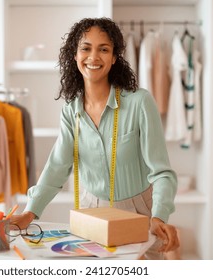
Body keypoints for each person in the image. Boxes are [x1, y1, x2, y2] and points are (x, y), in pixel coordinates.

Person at [11, 17, 179, 259]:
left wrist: (159, 216)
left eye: (104, 49)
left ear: (114, 57)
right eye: (86, 48)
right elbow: (57, 167)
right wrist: (29, 213)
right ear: (74, 55)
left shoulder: (139, 102)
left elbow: (161, 172)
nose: (93, 57)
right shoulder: (71, 110)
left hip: (140, 212)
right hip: (90, 211)